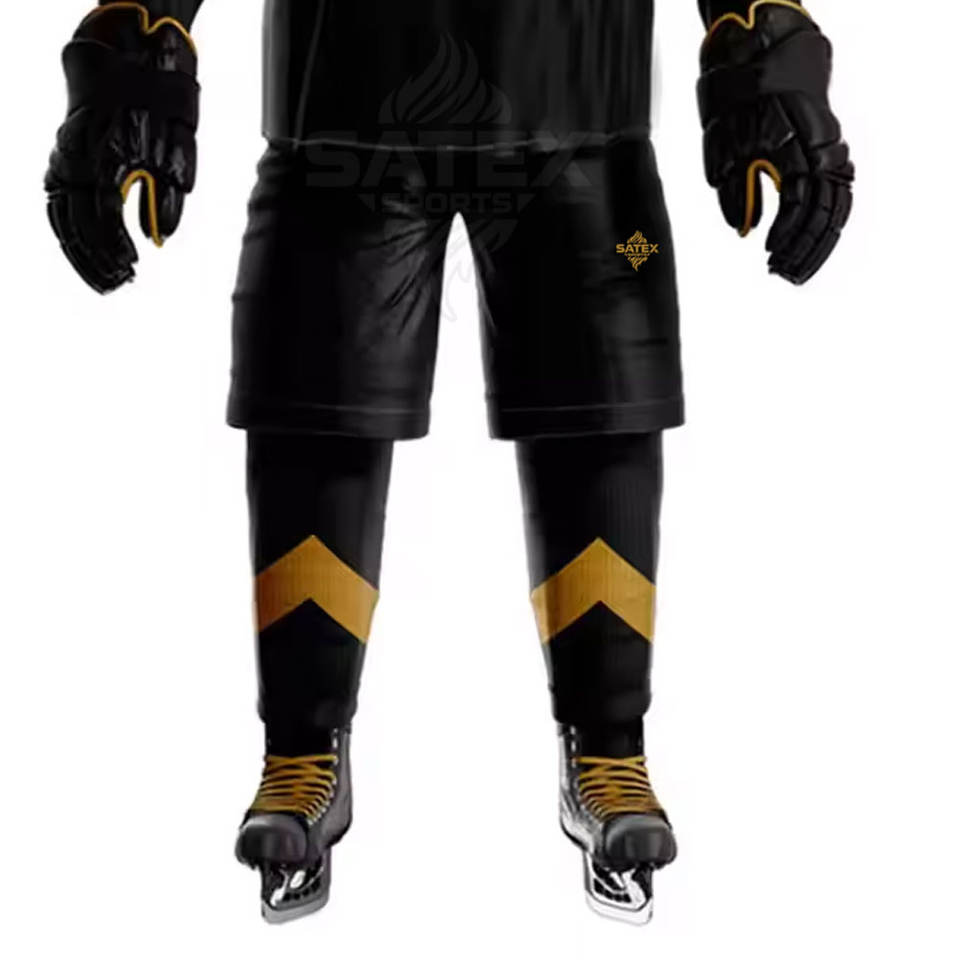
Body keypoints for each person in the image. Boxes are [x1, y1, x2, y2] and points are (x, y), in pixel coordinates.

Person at [44, 0, 853, 923]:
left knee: (607, 388)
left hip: (576, 128)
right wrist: (135, 50)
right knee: (317, 398)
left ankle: (608, 751)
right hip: (343, 115)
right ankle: (303, 755)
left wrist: (763, 50)